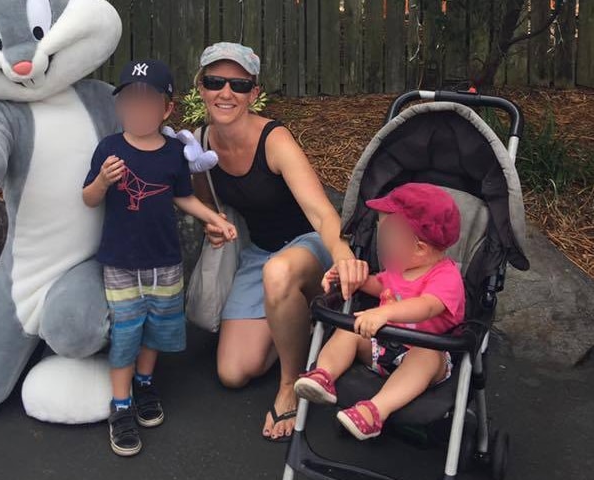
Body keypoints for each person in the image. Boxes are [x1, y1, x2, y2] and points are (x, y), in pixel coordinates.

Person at [191, 42, 368, 442]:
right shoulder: (199, 143)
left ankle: (291, 382)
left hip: (309, 246)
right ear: (200, 87)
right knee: (233, 372)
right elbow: (207, 204)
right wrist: (212, 224)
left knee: (280, 272)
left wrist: (343, 255)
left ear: (254, 94)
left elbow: (323, 214)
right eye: (215, 81)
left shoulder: (274, 139)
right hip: (262, 253)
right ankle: (301, 318)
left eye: (239, 85)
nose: (226, 93)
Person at [82, 59, 237, 456]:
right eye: (130, 102)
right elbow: (88, 198)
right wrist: (102, 180)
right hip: (120, 262)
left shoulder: (172, 153)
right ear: (119, 107)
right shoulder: (109, 149)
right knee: (125, 330)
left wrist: (212, 217)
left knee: (155, 327)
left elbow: (182, 196)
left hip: (164, 261)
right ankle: (120, 405)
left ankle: (145, 383)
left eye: (148, 102)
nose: (138, 110)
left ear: (167, 109)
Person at [294, 183, 465, 440]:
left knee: (427, 356)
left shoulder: (446, 277)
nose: (380, 242)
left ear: (419, 247)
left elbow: (427, 306)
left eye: (387, 236)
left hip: (421, 358)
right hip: (381, 348)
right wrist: (351, 278)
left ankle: (374, 412)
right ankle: (323, 375)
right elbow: (378, 285)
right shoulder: (398, 268)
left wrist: (386, 313)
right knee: (349, 327)